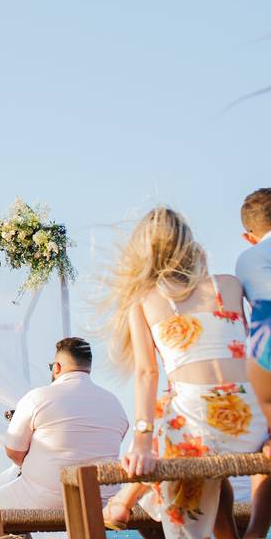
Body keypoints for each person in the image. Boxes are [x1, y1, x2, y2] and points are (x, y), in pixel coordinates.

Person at [98, 206, 268, 539]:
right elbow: (242, 347)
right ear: (192, 247)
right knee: (210, 468)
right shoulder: (229, 286)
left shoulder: (143, 300)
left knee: (169, 408)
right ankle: (252, 534)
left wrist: (142, 444)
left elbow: (148, 373)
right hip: (253, 421)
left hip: (199, 428)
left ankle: (124, 498)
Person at [0, 337, 128, 539]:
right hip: (105, 501)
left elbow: (13, 451)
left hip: (49, 499)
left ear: (57, 367)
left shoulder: (38, 397)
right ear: (88, 367)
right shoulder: (115, 404)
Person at [237, 188, 271, 538]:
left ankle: (257, 529)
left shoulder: (248, 259)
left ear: (248, 236)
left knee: (265, 438)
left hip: (266, 338)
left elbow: (243, 324)